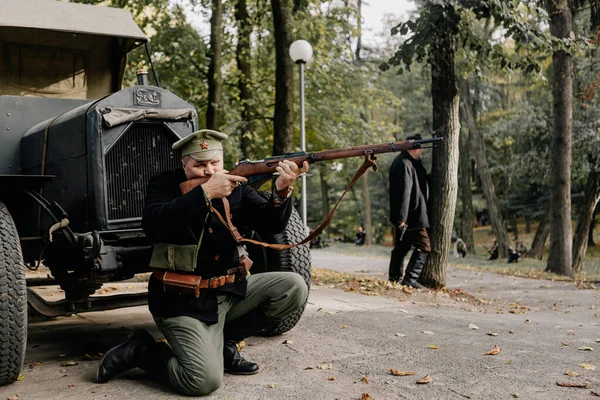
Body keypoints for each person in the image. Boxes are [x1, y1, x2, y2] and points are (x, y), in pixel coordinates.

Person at [96, 129, 309, 396]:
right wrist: (205, 194)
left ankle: (226, 342)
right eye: (199, 165)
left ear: (223, 160)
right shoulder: (164, 185)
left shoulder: (236, 187)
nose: (209, 171)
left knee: (294, 287)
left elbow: (270, 224)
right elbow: (154, 225)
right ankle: (141, 351)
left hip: (228, 293)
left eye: (215, 163)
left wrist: (280, 192)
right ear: (183, 164)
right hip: (181, 302)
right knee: (202, 381)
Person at [388, 133, 430, 289]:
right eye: (421, 148)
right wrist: (402, 217)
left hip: (409, 214)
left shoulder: (410, 162)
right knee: (424, 246)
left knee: (401, 246)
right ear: (414, 148)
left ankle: (394, 278)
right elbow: (404, 192)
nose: (422, 151)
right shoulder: (404, 163)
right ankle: (410, 279)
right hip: (412, 215)